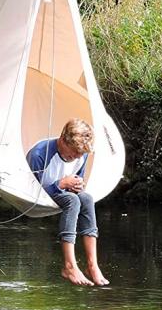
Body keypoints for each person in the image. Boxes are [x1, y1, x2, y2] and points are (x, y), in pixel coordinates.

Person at [27, 118, 109, 286]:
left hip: (63, 192)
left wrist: (78, 185)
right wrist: (61, 184)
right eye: (73, 153)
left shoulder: (81, 153)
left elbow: (78, 177)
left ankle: (92, 265)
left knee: (86, 198)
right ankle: (69, 265)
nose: (76, 158)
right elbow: (30, 191)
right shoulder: (39, 154)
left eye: (79, 155)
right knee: (72, 201)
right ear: (63, 139)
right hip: (41, 193)